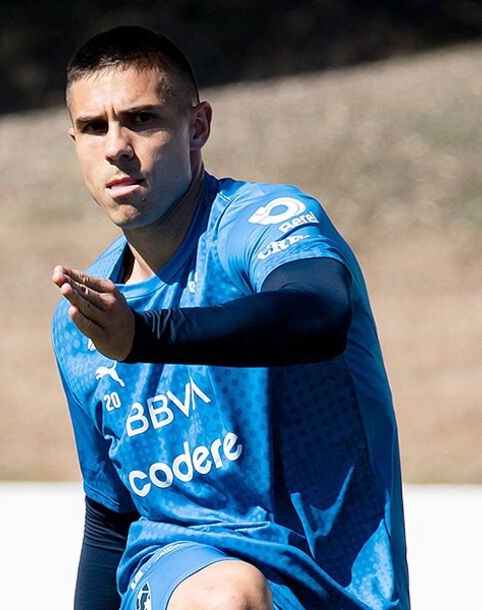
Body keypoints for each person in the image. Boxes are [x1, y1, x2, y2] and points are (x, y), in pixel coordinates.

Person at [51, 26, 410, 610]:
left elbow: (317, 315)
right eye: (94, 128)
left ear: (198, 127)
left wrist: (145, 337)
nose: (116, 146)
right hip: (179, 568)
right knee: (227, 595)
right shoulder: (83, 320)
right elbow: (111, 519)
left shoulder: (261, 225)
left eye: (141, 120)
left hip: (343, 590)